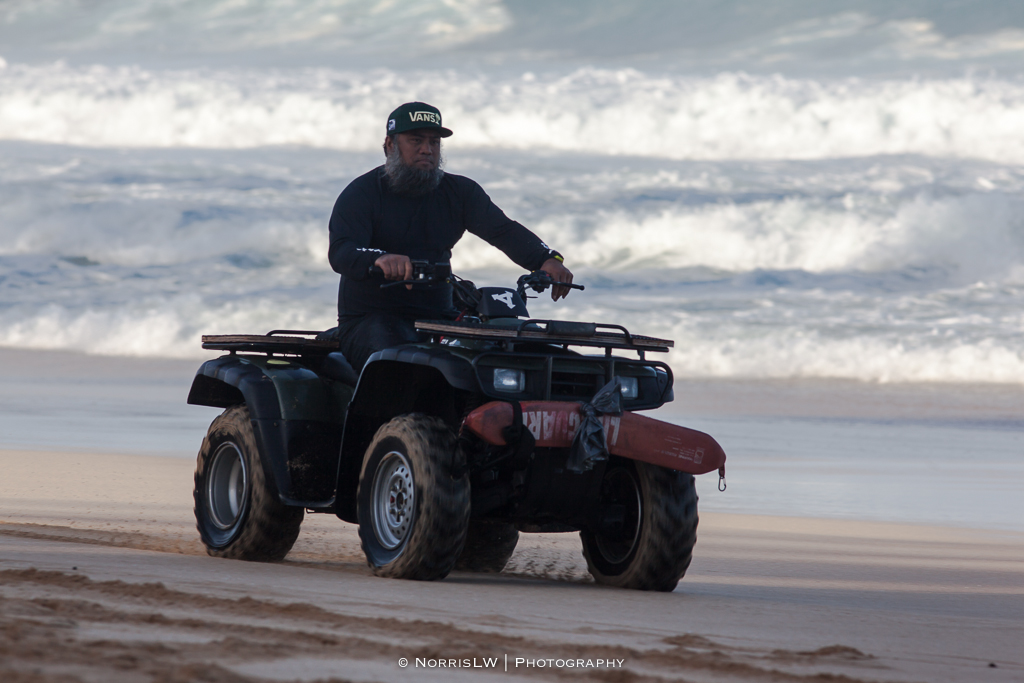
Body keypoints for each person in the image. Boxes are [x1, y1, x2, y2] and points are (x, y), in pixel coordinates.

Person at [326, 101, 574, 369]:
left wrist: (547, 259)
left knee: (523, 354)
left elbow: (503, 230)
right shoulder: (362, 194)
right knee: (407, 366)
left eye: (434, 142)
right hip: (370, 319)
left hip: (440, 315)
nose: (427, 149)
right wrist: (379, 259)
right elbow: (342, 250)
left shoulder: (460, 192)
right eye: (416, 140)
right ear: (389, 145)